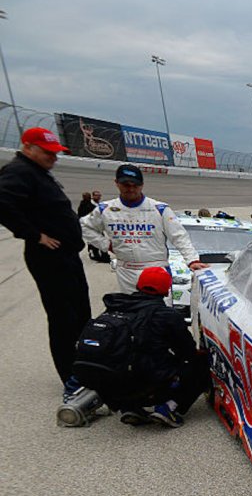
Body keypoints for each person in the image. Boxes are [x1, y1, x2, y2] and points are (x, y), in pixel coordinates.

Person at [0, 127, 93, 395]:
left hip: (67, 256)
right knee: (64, 319)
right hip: (49, 258)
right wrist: (34, 235)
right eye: (48, 152)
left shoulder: (38, 172)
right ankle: (72, 379)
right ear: (28, 148)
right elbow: (3, 203)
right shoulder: (19, 171)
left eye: (55, 153)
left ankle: (86, 366)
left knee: (81, 314)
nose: (54, 157)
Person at [75, 266, 208, 428]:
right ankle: (169, 407)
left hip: (111, 386)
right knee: (201, 363)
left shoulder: (114, 307)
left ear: (138, 285)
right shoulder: (166, 315)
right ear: (167, 290)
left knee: (134, 360)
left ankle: (130, 408)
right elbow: (188, 352)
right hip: (149, 385)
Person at [81, 164, 206, 293]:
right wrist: (105, 244)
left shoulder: (159, 209)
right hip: (126, 271)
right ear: (117, 183)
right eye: (126, 185)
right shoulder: (105, 209)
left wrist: (192, 260)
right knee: (130, 305)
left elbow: (179, 237)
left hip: (156, 269)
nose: (131, 189)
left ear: (142, 185)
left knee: (157, 306)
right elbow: (84, 226)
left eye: (135, 185)